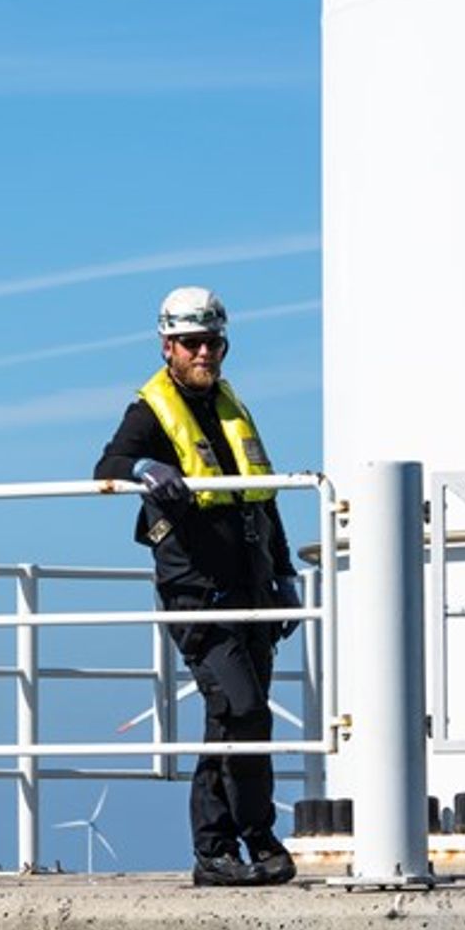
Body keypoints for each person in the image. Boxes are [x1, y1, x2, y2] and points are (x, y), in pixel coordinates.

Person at [94, 287, 303, 887]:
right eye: (191, 343)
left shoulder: (232, 406)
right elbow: (107, 464)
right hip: (199, 591)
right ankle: (239, 841)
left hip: (253, 586)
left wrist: (284, 571)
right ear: (169, 347)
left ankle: (234, 847)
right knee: (242, 710)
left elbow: (263, 497)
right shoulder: (152, 410)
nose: (203, 352)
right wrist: (143, 469)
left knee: (235, 719)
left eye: (212, 342)